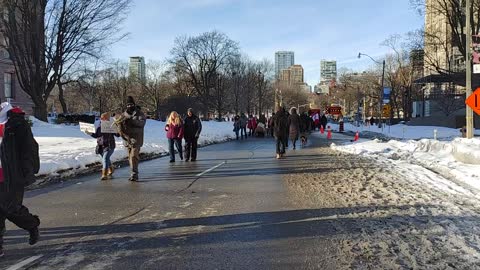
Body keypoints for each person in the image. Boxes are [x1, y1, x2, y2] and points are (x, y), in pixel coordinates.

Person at [0, 103, 40, 257]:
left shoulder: (16, 122)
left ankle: (31, 224)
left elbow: (29, 148)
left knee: (11, 207)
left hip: (10, 174)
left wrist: (28, 171)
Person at [115, 96, 146, 181]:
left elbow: (141, 124)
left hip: (136, 139)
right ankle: (133, 172)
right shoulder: (123, 114)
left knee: (133, 156)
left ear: (134, 104)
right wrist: (118, 129)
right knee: (130, 157)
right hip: (127, 139)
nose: (129, 106)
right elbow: (119, 125)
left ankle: (134, 174)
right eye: (128, 105)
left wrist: (131, 121)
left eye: (131, 104)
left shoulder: (140, 114)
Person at [86, 112, 119, 180]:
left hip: (110, 145)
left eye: (103, 118)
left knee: (105, 158)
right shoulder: (99, 127)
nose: (101, 119)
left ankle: (104, 174)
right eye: (101, 118)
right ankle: (111, 168)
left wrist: (118, 129)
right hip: (101, 146)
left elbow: (118, 135)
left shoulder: (112, 125)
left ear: (107, 118)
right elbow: (96, 135)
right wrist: (89, 133)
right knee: (106, 159)